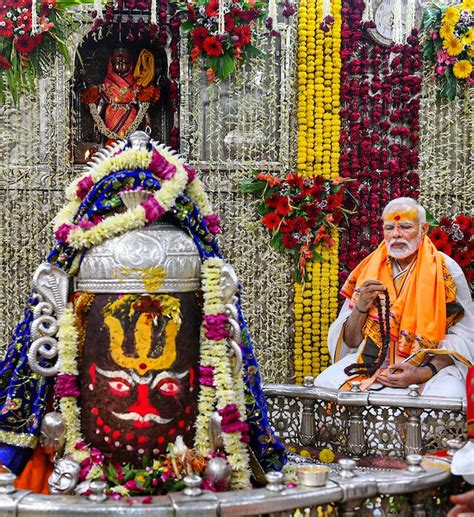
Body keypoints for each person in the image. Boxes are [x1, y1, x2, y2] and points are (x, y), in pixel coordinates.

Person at [315, 197, 473, 396]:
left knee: (450, 394)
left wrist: (422, 372)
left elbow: (465, 335)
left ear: (423, 229)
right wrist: (361, 307)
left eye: (405, 227)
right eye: (389, 228)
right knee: (324, 384)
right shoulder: (368, 269)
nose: (396, 235)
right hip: (372, 364)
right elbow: (351, 342)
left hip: (427, 367)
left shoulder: (445, 270)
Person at [81, 46, 160, 142]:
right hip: (112, 115)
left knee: (130, 142)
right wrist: (96, 122)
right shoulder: (106, 85)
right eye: (117, 61)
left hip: (130, 116)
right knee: (112, 142)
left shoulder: (136, 85)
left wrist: (147, 121)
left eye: (124, 61)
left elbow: (141, 105)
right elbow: (101, 104)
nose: (120, 64)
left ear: (130, 64)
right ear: (111, 63)